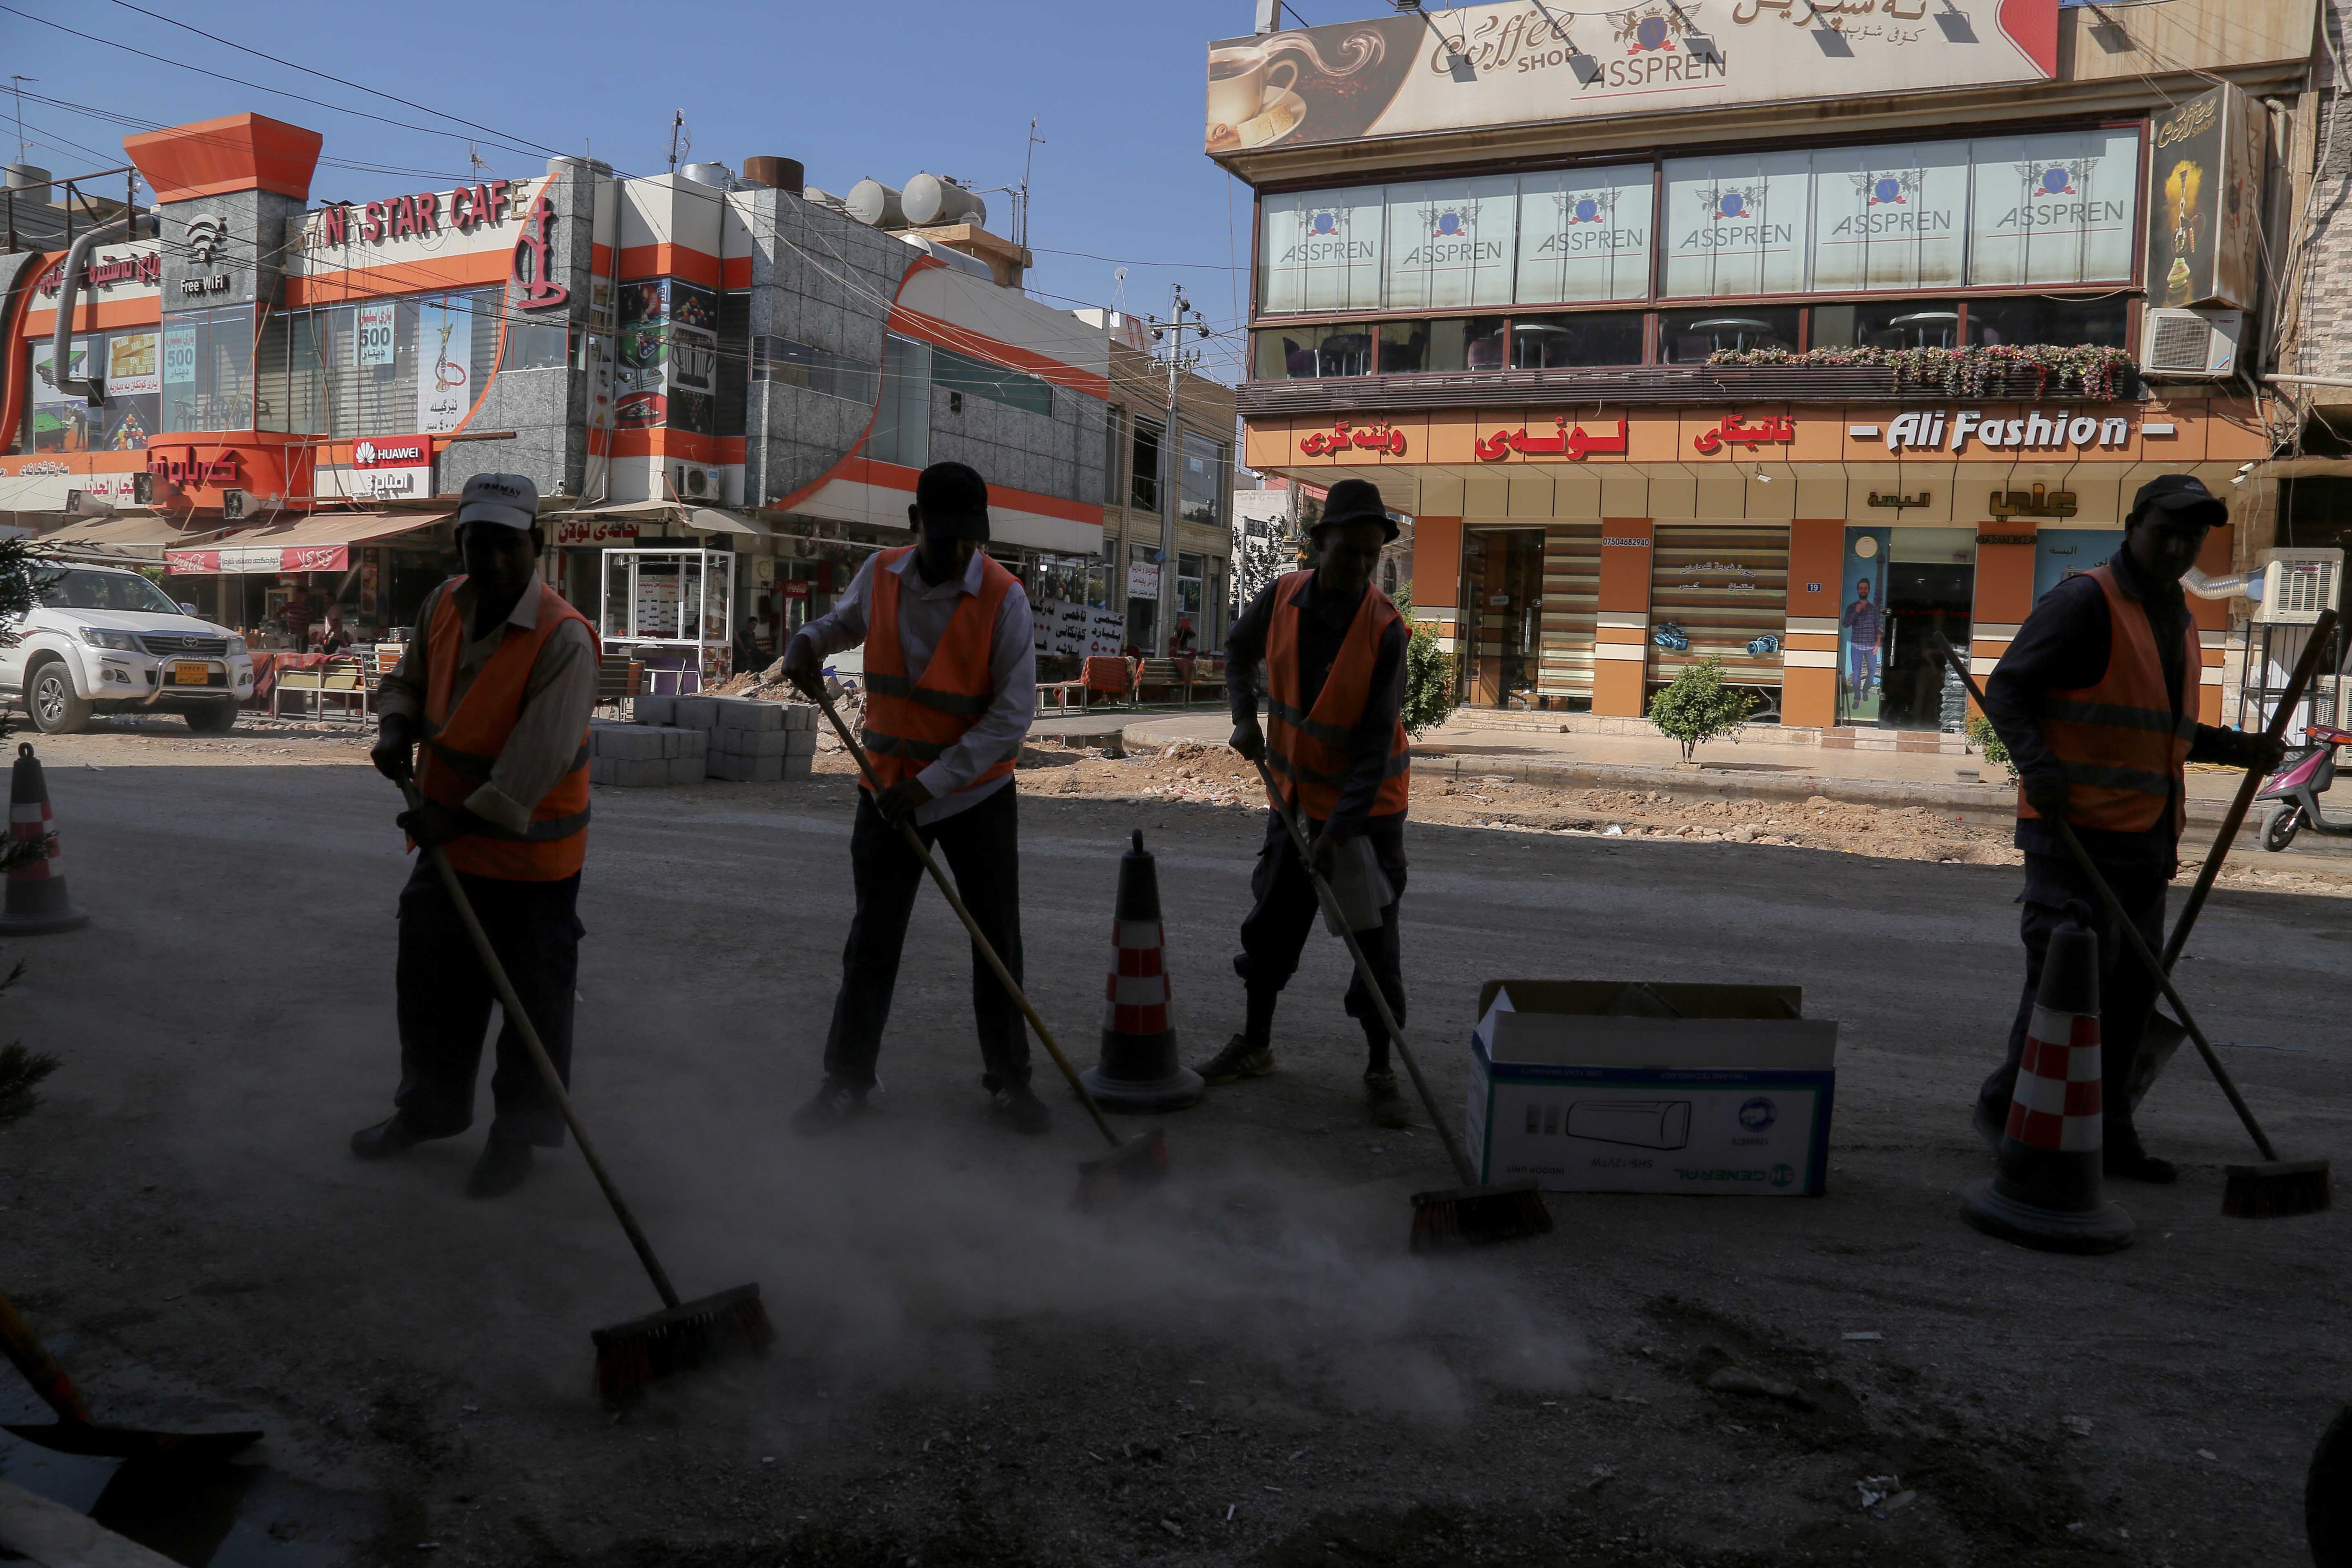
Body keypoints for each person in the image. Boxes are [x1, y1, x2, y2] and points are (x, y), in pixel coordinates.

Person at [1976, 474, 2283, 1183]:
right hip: (2074, 833)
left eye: (2192, 537)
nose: (2178, 547)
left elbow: (2160, 730)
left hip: (2145, 837)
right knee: (2066, 987)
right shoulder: (2087, 601)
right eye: (2165, 532)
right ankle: (2010, 1113)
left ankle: (2108, 1132)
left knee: (2130, 994)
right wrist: (2038, 768)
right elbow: (2010, 688)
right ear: (2133, 526)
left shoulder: (2174, 615)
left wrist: (2237, 748)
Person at [351, 474, 599, 1199]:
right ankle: (430, 1111)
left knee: (532, 1009)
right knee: (430, 988)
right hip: (451, 848)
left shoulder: (565, 640)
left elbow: (530, 768)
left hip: (533, 865)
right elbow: (406, 681)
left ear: (538, 544)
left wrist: (449, 820)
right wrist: (395, 729)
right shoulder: (443, 604)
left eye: (506, 544)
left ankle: (516, 1138)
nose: (491, 559)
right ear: (459, 541)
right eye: (477, 541)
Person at [780, 461, 1045, 1136]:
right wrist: (808, 642)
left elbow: (1011, 716)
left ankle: (1010, 1081)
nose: (959, 553)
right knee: (873, 940)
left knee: (995, 943)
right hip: (885, 792)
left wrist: (929, 785)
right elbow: (844, 623)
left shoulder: (1004, 597)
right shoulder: (883, 573)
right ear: (914, 524)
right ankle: (847, 1080)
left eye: (970, 540)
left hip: (974, 797)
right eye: (945, 537)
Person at [1195, 477, 1414, 1129]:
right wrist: (1243, 718)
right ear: (1320, 545)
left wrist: (1339, 832)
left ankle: (1380, 1068)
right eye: (1350, 551)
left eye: (1372, 556)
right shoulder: (1282, 595)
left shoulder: (1385, 629)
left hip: (1367, 812)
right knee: (1272, 925)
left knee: (1372, 946)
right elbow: (1237, 653)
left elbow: (1374, 747)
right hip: (1292, 797)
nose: (1360, 567)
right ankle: (1255, 1045)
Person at [1842, 576, 1884, 697]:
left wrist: (1878, 644)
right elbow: (1845, 624)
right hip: (1856, 646)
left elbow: (1878, 626)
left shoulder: (1874, 609)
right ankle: (1857, 696)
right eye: (1861, 588)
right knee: (1857, 673)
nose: (1863, 590)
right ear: (1858, 591)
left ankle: (1866, 689)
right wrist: (1856, 611)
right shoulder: (1852, 607)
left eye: (1865, 588)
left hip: (1871, 646)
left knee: (1872, 672)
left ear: (1869, 591)